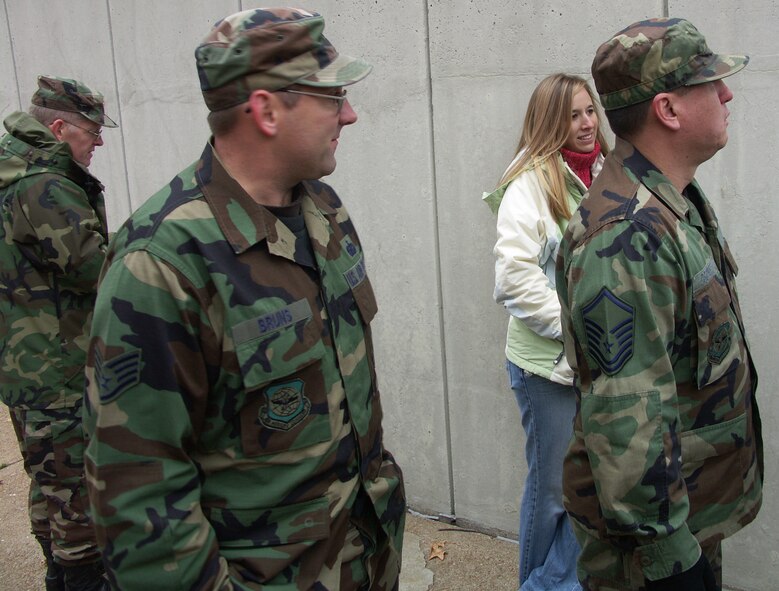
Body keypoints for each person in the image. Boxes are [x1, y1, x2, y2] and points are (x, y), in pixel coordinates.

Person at [83, 7, 406, 591]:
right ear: (266, 109)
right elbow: (141, 504)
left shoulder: (325, 212)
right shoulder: (160, 266)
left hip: (365, 557)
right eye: (332, 96)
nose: (351, 114)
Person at [556, 18, 762, 591]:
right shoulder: (625, 237)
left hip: (687, 522)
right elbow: (627, 421)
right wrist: (671, 562)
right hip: (655, 555)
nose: (727, 94)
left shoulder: (672, 202)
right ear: (668, 111)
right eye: (711, 83)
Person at [484, 73, 608, 591]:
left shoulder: (604, 172)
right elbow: (513, 277)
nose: (586, 123)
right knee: (551, 491)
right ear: (550, 122)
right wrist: (575, 329)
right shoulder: (532, 182)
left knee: (587, 483)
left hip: (589, 362)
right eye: (572, 115)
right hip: (545, 366)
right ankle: (533, 583)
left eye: (589, 111)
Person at [0, 75, 116, 590]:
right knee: (78, 492)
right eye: (92, 131)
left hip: (22, 362)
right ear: (61, 127)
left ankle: (55, 567)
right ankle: (78, 577)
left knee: (47, 480)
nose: (99, 142)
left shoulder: (12, 171)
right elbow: (94, 268)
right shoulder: (44, 186)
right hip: (59, 368)